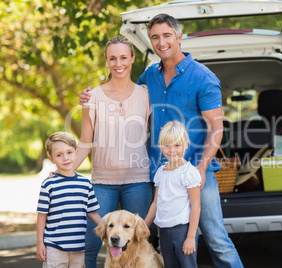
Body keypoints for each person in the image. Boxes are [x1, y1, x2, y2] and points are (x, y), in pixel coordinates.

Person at [80, 14, 243, 267]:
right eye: (155, 37)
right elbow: (124, 89)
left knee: (216, 239)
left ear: (179, 37)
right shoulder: (149, 77)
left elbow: (216, 128)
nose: (161, 42)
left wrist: (201, 167)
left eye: (167, 35)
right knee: (166, 241)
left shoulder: (203, 77)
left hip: (196, 174)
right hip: (161, 175)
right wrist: (92, 94)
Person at [77, 36, 153, 267]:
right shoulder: (92, 98)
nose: (118, 63)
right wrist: (65, 169)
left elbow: (157, 138)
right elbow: (84, 142)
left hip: (138, 181)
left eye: (123, 57)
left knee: (139, 244)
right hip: (102, 182)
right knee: (90, 246)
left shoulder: (145, 95)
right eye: (112, 58)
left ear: (132, 59)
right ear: (107, 61)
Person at [36, 132, 102, 267]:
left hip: (78, 248)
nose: (65, 158)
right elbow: (42, 216)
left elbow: (92, 213)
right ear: (51, 159)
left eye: (69, 152)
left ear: (76, 152)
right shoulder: (48, 184)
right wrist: (40, 243)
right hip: (54, 248)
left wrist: (108, 228)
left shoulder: (85, 184)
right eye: (59, 155)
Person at [145, 121, 201, 268]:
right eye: (167, 145)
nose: (172, 150)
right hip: (163, 231)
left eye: (177, 145)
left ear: (186, 144)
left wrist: (190, 237)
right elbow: (155, 204)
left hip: (183, 231)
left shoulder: (189, 172)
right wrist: (143, 228)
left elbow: (196, 206)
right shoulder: (160, 172)